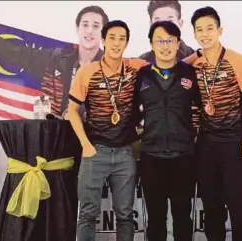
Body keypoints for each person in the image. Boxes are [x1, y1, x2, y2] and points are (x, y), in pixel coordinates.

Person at [185, 6, 242, 241]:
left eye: (210, 28)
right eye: (199, 30)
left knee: (237, 206)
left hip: (234, 142)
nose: (205, 34)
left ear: (220, 30)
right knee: (211, 206)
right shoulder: (192, 64)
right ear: (194, 34)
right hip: (206, 144)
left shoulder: (237, 60)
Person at [68, 20, 148, 241]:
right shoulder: (87, 72)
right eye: (112, 38)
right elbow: (72, 111)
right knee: (87, 214)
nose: (116, 43)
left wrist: (200, 54)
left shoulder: (136, 67)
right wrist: (85, 145)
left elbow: (168, 61)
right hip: (95, 151)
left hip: (125, 152)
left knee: (124, 215)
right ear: (103, 40)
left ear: (127, 43)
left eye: (122, 39)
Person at [0, 5, 108, 118]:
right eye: (85, 25)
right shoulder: (56, 59)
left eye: (96, 26)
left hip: (96, 149)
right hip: (59, 144)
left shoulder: (114, 69)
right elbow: (13, 53)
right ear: (77, 28)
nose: (89, 31)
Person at [134, 21, 201, 241]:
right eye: (160, 41)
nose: (165, 46)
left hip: (183, 157)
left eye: (170, 40)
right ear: (152, 44)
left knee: (182, 216)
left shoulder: (189, 73)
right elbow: (132, 113)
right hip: (151, 157)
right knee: (155, 219)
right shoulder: (142, 76)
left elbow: (203, 108)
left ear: (178, 44)